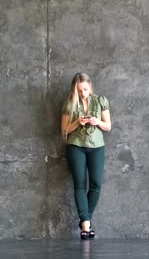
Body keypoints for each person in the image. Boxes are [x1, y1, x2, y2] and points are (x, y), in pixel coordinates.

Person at [61, 72, 111, 240]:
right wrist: (78, 122)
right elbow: (64, 131)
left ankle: (86, 218)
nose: (83, 93)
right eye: (79, 91)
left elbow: (108, 126)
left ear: (90, 86)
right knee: (80, 185)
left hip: (97, 147)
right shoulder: (69, 104)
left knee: (96, 185)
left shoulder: (100, 101)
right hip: (76, 147)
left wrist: (97, 122)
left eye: (85, 89)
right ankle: (86, 226)